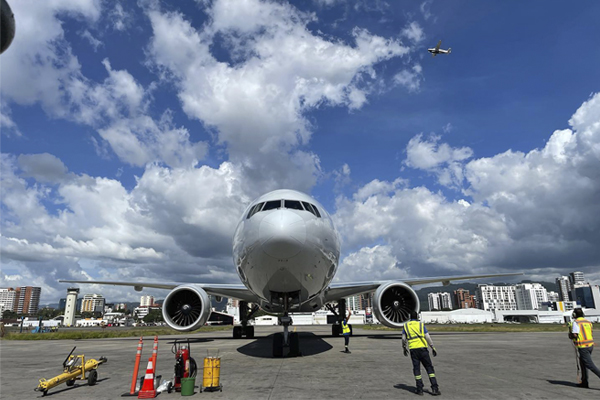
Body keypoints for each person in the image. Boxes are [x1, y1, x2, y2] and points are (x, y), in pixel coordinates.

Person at [402, 311, 440, 396]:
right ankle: (435, 388)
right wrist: (432, 347)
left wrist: (404, 348)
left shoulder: (406, 326)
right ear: (417, 317)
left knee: (416, 369)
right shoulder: (421, 325)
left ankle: (419, 389)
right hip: (423, 350)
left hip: (413, 350)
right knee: (429, 369)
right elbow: (427, 337)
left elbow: (403, 339)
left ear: (409, 317)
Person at [569, 308, 600, 388]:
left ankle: (585, 381)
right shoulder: (588, 322)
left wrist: (570, 335)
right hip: (590, 345)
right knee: (583, 364)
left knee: (590, 365)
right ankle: (584, 382)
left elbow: (575, 334)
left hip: (583, 346)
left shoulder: (576, 323)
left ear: (574, 315)